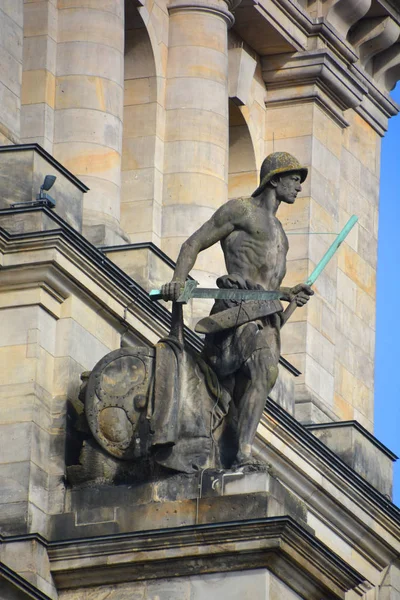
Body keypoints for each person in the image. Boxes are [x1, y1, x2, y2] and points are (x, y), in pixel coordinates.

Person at [161, 152, 314, 467]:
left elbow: (269, 292)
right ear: (274, 179)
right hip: (237, 307)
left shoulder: (282, 236)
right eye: (294, 180)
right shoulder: (241, 210)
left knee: (260, 380)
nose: (299, 188)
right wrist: (178, 280)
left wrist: (289, 299)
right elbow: (193, 243)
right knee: (264, 372)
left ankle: (235, 449)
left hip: (267, 316)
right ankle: (242, 452)